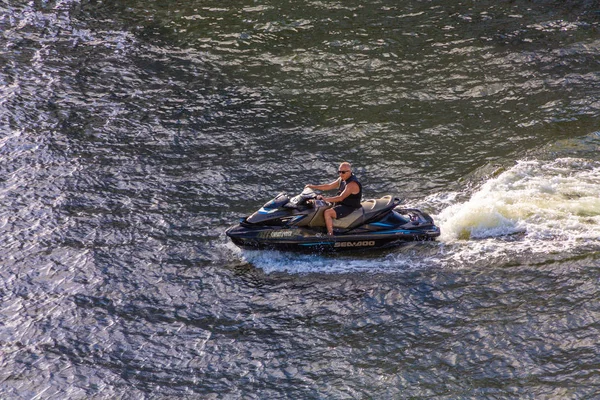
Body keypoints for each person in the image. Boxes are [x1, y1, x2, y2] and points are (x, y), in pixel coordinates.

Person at [305, 162, 362, 236]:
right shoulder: (342, 179)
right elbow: (328, 186)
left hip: (349, 206)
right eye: (339, 172)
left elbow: (340, 198)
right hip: (342, 203)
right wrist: (312, 187)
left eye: (343, 172)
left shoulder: (352, 184)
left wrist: (325, 199)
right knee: (319, 205)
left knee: (327, 212)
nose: (341, 174)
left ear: (350, 172)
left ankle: (330, 235)